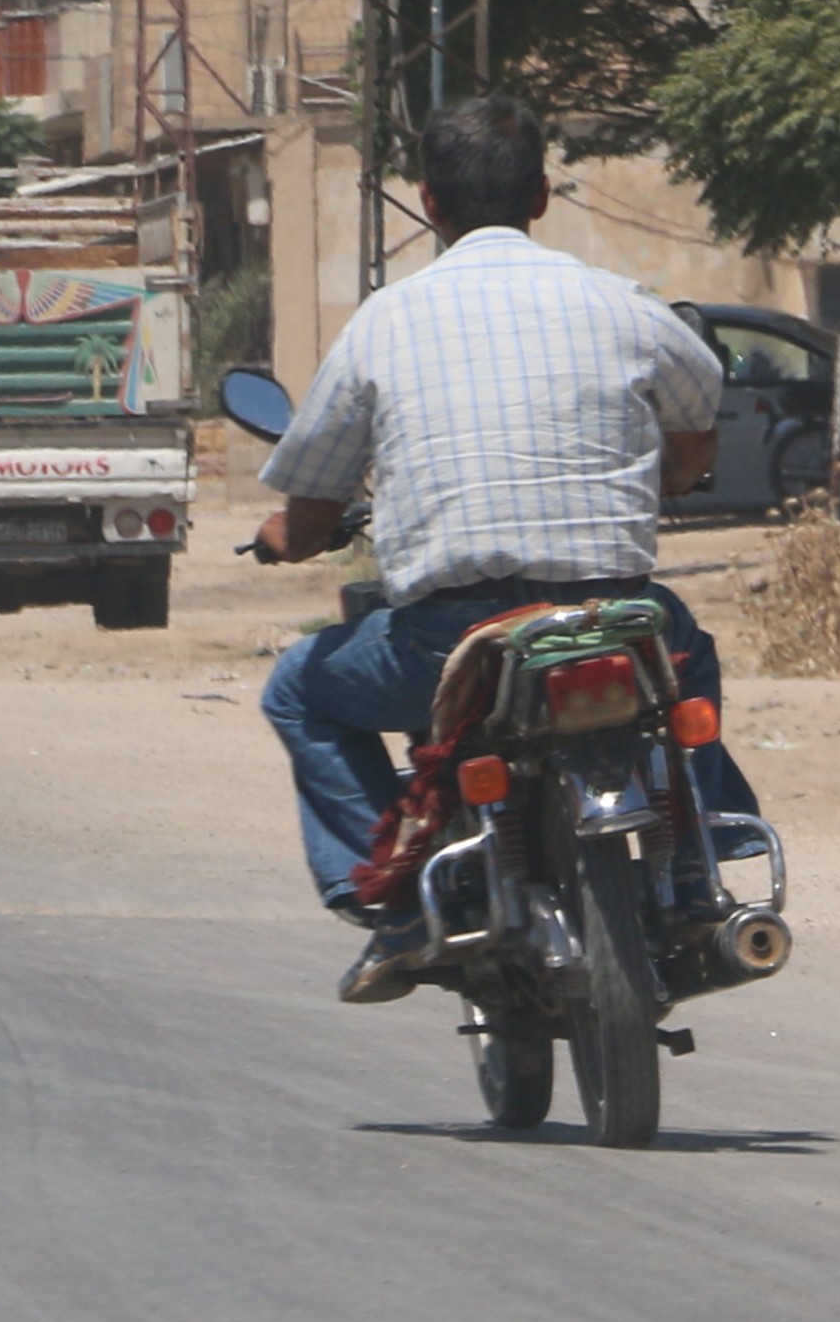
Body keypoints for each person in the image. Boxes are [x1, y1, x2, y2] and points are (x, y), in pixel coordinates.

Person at [252, 95, 758, 1003]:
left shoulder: (382, 322)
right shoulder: (627, 307)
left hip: (450, 644)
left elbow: (310, 506)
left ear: (427, 203)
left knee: (298, 690)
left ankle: (398, 904)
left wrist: (284, 540)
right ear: (540, 197)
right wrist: (675, 472)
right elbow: (696, 422)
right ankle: (699, 864)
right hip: (613, 618)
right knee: (691, 658)